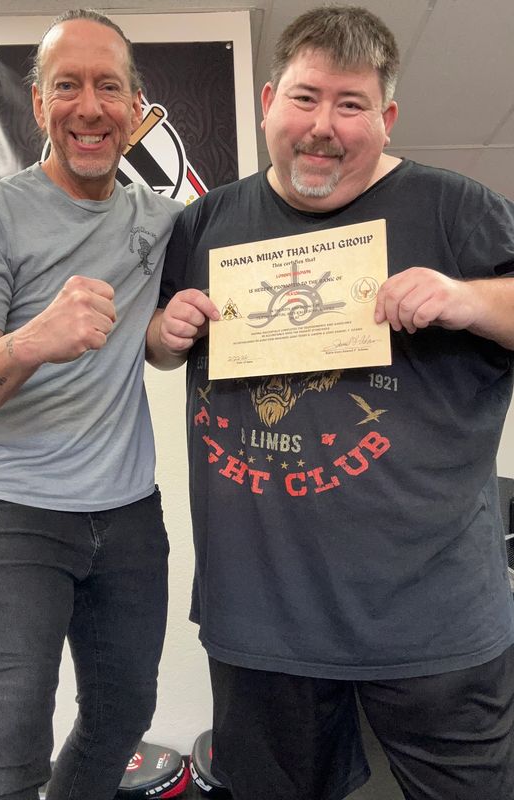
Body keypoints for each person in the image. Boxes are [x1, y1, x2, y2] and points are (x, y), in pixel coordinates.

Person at [147, 6, 514, 800]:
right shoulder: (205, 223)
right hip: (260, 621)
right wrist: (163, 334)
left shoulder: (459, 210)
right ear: (268, 101)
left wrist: (467, 299)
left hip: (434, 620)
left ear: (384, 119)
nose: (324, 126)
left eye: (350, 105)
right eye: (306, 98)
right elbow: (157, 343)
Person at [0, 9, 181, 800]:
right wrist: (31, 339)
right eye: (66, 85)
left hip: (129, 515)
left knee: (121, 716)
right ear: (38, 104)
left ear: (135, 108)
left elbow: (166, 336)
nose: (88, 106)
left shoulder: (161, 221)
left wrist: (168, 336)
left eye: (108, 86)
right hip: (13, 514)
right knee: (3, 752)